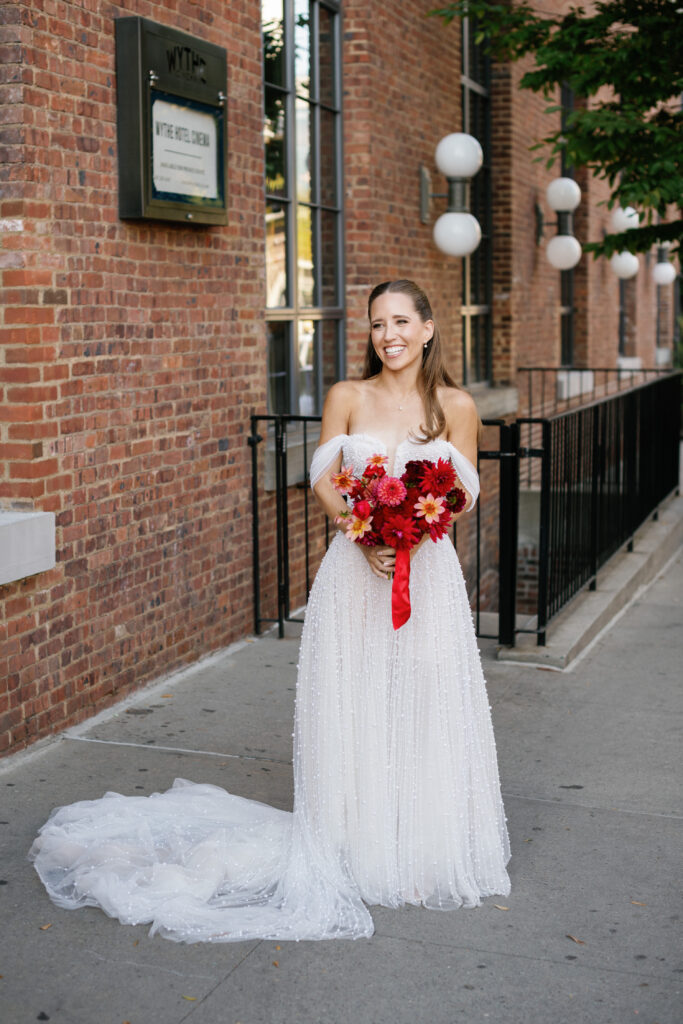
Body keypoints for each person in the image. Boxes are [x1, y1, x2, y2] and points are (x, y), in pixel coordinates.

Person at [29, 280, 510, 943]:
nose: (388, 334)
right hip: (353, 570)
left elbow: (465, 491)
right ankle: (352, 838)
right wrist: (359, 527)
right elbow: (320, 474)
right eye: (376, 324)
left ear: (428, 328)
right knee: (354, 698)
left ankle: (420, 844)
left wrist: (412, 530)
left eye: (401, 321)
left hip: (423, 575)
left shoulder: (456, 405)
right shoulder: (348, 395)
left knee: (423, 696)